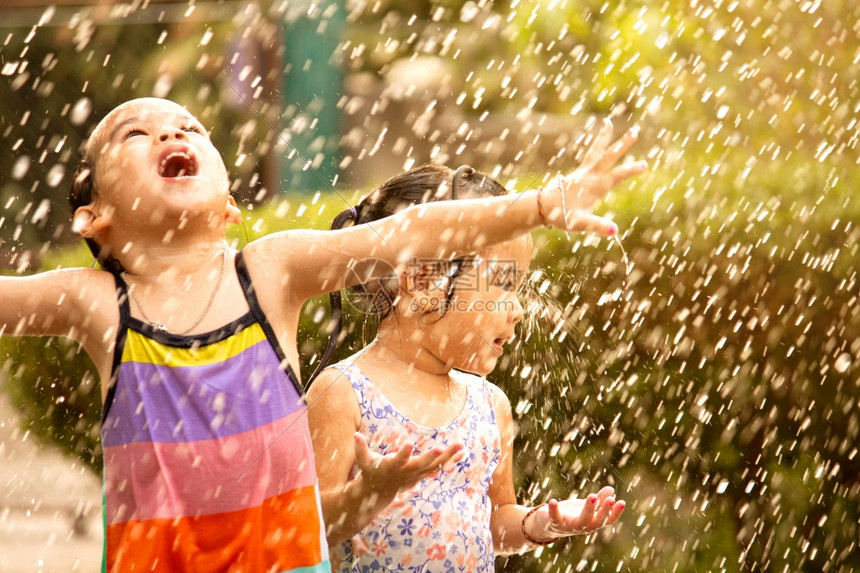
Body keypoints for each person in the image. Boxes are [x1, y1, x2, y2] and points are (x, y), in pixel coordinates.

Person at [0, 97, 643, 572]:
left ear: (228, 206)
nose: (168, 131)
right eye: (134, 133)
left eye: (190, 126)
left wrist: (540, 203)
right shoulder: (95, 303)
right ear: (95, 217)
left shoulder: (269, 271)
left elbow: (406, 235)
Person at [307, 162, 634, 572]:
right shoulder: (342, 392)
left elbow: (496, 521)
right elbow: (306, 528)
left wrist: (542, 523)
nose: (517, 310)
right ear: (422, 282)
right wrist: (367, 495)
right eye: (502, 284)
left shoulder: (490, 405)